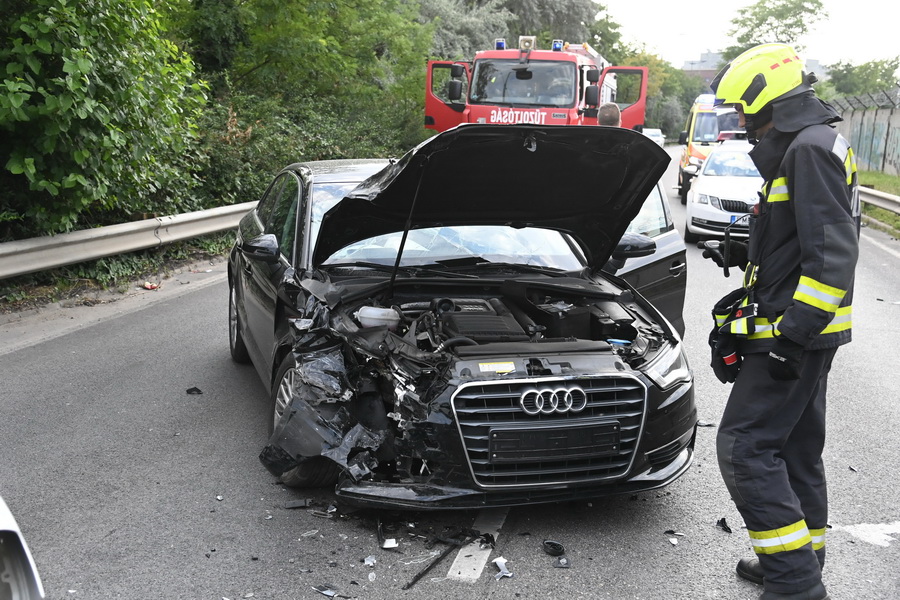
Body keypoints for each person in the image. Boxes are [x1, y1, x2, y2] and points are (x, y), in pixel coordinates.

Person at [704, 43, 859, 600]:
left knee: (744, 446)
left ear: (764, 98)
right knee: (794, 447)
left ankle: (794, 584)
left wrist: (791, 338)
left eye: (743, 110)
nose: (742, 122)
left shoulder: (807, 150)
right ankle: (802, 560)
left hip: (798, 332)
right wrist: (745, 248)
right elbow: (801, 236)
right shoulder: (811, 142)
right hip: (811, 331)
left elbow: (833, 253)